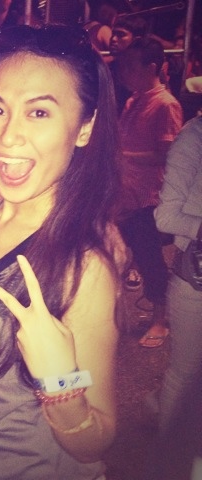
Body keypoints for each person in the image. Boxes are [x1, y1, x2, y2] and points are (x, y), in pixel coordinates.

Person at [0, 24, 120, 478]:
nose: (8, 136)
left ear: (85, 128)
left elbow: (97, 442)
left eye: (39, 113)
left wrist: (59, 381)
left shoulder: (85, 266)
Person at [117, 37, 183, 348]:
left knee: (150, 259)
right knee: (118, 253)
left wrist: (123, 156)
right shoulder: (133, 101)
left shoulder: (166, 104)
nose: (124, 72)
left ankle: (161, 318)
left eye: (131, 66)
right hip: (125, 194)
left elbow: (169, 154)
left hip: (148, 198)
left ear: (152, 67)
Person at [153, 116, 202, 441]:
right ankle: (169, 448)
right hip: (196, 281)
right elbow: (166, 217)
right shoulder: (194, 138)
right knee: (184, 373)